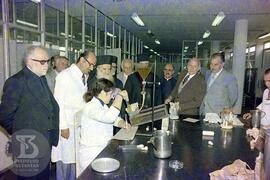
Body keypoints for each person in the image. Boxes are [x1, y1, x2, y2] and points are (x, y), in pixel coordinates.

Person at [0, 45, 59, 179]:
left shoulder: (41, 78)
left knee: (44, 176)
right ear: (30, 62)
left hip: (44, 141)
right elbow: (4, 115)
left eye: (48, 61)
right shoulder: (16, 81)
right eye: (43, 62)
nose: (47, 65)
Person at [51, 50, 96, 180]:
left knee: (74, 161)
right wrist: (63, 127)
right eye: (90, 65)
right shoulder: (64, 76)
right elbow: (58, 104)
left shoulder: (83, 77)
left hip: (78, 126)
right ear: (82, 60)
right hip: (67, 127)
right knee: (64, 162)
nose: (92, 68)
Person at [78, 78, 130, 174]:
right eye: (110, 94)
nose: (111, 97)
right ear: (102, 92)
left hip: (102, 149)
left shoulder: (102, 105)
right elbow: (109, 117)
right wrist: (119, 97)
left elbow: (112, 118)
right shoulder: (91, 107)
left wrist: (122, 123)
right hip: (91, 154)